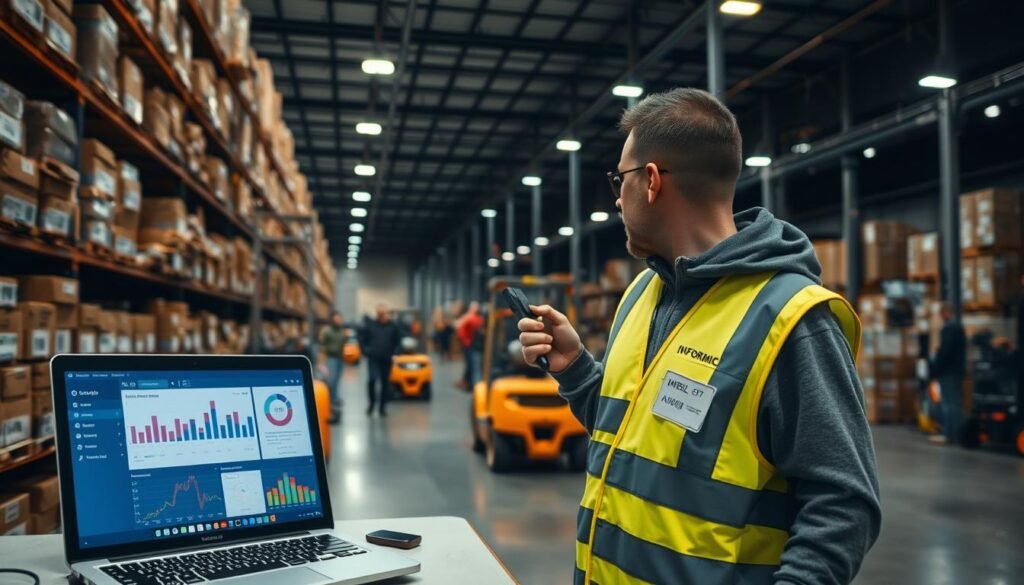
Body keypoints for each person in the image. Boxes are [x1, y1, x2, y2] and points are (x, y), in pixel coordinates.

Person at [517, 88, 881, 585]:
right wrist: (576, 368)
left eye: (617, 180)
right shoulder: (643, 294)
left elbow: (845, 504)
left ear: (649, 181)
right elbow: (630, 435)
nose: (616, 198)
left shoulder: (791, 320)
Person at [929, 302, 966, 445]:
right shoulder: (958, 327)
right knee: (955, 403)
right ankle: (957, 434)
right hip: (956, 371)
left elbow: (945, 352)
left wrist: (935, 369)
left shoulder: (950, 328)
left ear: (945, 312)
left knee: (948, 404)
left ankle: (949, 434)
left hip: (948, 372)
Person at [361, 304, 401, 417]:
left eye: (384, 314)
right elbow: (363, 339)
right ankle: (371, 404)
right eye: (380, 315)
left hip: (387, 359)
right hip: (373, 358)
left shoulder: (393, 326)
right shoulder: (371, 325)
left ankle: (382, 407)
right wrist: (366, 351)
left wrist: (396, 353)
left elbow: (398, 341)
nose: (382, 317)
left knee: (385, 383)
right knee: (372, 380)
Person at [319, 311, 346, 424]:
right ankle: (332, 408)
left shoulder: (341, 331)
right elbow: (322, 347)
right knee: (331, 382)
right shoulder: (326, 331)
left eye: (340, 318)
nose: (338, 320)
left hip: (340, 359)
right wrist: (321, 363)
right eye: (336, 318)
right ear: (332, 319)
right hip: (330, 359)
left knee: (336, 382)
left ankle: (334, 406)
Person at [456, 302, 485, 389]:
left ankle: (468, 382)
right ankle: (474, 386)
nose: (475, 309)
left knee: (471, 365)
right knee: (474, 366)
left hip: (473, 346)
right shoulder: (470, 318)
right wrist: (466, 341)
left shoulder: (475, 318)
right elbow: (460, 330)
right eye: (474, 307)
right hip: (471, 346)